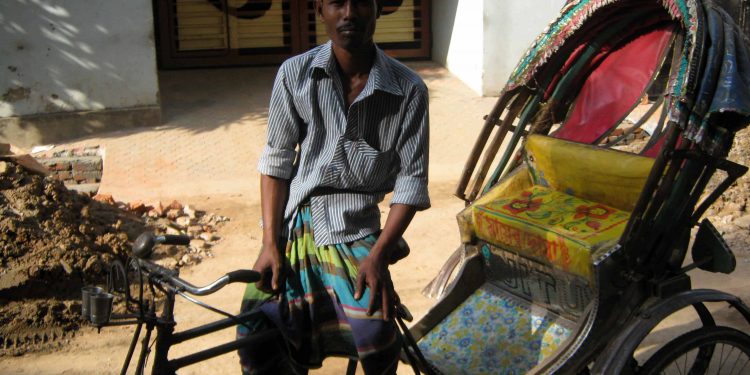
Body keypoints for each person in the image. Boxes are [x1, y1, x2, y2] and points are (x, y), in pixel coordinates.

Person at [236, 0, 430, 374]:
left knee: (375, 334)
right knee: (254, 327)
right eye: (336, 2)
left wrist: (378, 255)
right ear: (319, 9)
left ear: (377, 9)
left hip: (355, 227)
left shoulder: (409, 90)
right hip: (295, 223)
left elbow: (411, 181)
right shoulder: (295, 74)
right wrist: (269, 245)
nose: (349, 13)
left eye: (360, 2)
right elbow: (276, 162)